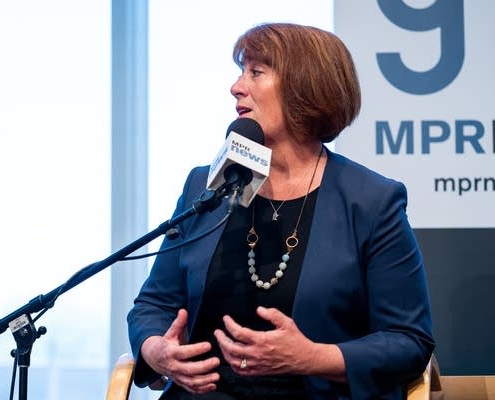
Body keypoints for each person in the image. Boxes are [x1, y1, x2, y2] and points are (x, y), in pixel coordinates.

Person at [127, 22, 434, 399]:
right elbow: (154, 304)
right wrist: (157, 350)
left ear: (305, 86)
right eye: (241, 72)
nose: (237, 87)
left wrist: (312, 357)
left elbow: (409, 341)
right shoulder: (207, 185)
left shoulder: (371, 201)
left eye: (256, 72)